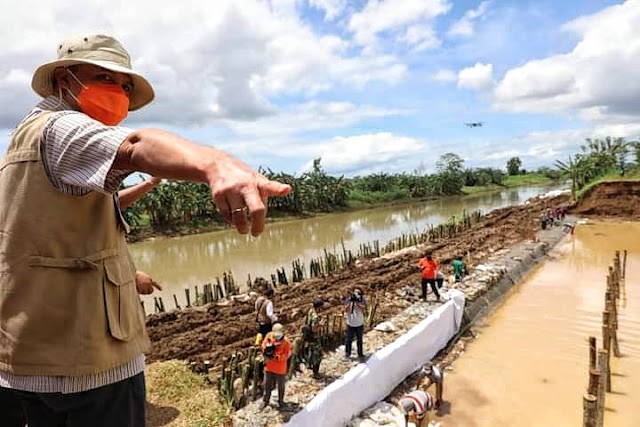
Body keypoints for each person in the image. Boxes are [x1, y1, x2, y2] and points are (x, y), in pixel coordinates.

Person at [0, 34, 290, 427]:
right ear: (63, 80)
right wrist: (214, 164)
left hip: (35, 356)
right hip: (86, 367)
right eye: (103, 77)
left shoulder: (25, 145)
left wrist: (127, 275)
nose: (117, 92)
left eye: (123, 86)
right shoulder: (61, 128)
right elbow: (138, 143)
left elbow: (52, 235)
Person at [260, 323, 292, 410]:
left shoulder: (286, 342)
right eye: (276, 334)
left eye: (279, 334)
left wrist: (277, 357)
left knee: (281, 386)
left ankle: (281, 402)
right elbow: (263, 345)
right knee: (267, 384)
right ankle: (265, 401)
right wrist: (266, 351)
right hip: (269, 366)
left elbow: (287, 355)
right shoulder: (269, 336)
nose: (277, 336)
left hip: (280, 368)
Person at [302, 298, 325, 378]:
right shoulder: (315, 317)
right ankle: (316, 372)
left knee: (311, 352)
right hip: (314, 338)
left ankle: (309, 364)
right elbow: (314, 329)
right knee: (318, 355)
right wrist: (321, 324)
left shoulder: (310, 311)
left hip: (309, 337)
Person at [343, 287, 367, 360]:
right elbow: (345, 310)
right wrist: (351, 302)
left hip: (359, 323)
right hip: (350, 323)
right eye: (355, 293)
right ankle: (347, 354)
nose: (357, 294)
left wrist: (357, 303)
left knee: (359, 340)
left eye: (358, 293)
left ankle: (360, 354)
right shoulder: (348, 299)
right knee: (348, 340)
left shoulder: (362, 299)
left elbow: (363, 308)